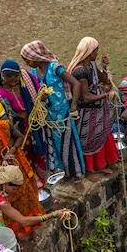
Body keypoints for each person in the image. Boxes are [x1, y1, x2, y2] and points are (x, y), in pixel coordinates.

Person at [19, 41, 86, 179]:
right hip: (48, 118)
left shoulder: (55, 68)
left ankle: (76, 175)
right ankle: (63, 174)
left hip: (63, 115)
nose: (27, 63)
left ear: (36, 56)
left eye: (27, 60)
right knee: (54, 146)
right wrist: (41, 98)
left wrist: (73, 106)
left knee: (68, 145)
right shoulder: (34, 72)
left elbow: (76, 83)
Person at [0, 59, 45, 232]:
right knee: (25, 158)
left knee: (37, 155)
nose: (14, 81)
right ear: (4, 78)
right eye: (11, 78)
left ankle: (40, 184)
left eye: (16, 77)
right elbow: (8, 119)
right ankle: (32, 189)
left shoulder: (23, 87)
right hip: (19, 130)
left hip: (31, 126)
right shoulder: (1, 96)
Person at [66, 38, 121, 176]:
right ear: (89, 53)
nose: (97, 53)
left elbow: (104, 80)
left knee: (100, 135)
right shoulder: (80, 72)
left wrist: (104, 66)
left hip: (97, 110)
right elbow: (86, 97)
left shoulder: (90, 66)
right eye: (95, 51)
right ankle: (89, 170)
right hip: (87, 111)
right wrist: (106, 96)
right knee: (88, 140)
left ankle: (100, 164)